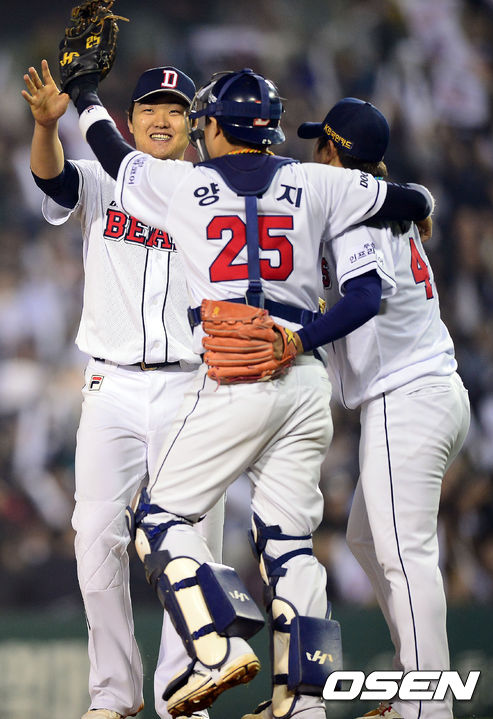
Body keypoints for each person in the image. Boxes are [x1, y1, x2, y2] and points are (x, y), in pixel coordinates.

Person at [66, 65, 435, 719]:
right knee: (291, 546)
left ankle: (217, 645)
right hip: (304, 374)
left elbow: (112, 154)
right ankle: (306, 701)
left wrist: (86, 98)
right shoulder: (315, 180)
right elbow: (404, 197)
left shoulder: (187, 184)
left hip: (237, 370)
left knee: (161, 521)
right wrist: (420, 206)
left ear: (211, 127)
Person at [22, 60, 225, 719]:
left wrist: (85, 103)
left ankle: (180, 693)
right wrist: (46, 127)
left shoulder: (210, 190)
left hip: (192, 385)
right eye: (149, 108)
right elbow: (53, 179)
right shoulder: (102, 177)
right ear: (130, 121)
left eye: (174, 108)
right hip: (110, 383)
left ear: (192, 123)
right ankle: (113, 693)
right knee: (93, 536)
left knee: (188, 546)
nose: (161, 118)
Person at [296, 98, 471, 719]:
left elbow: (365, 297)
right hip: (428, 390)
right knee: (369, 539)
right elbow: (414, 199)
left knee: (404, 555)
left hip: (407, 396)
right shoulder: (386, 200)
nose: (313, 153)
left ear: (333, 151)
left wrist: (300, 340)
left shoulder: (356, 213)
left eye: (320, 144)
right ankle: (413, 687)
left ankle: (428, 706)